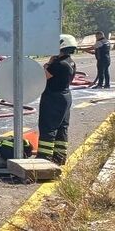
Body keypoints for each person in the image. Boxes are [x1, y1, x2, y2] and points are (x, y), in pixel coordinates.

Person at [37, 34, 77, 165]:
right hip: (65, 96)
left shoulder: (59, 64)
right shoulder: (70, 62)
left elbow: (43, 77)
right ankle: (59, 157)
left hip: (53, 97)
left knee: (48, 127)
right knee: (61, 128)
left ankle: (44, 158)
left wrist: (48, 63)